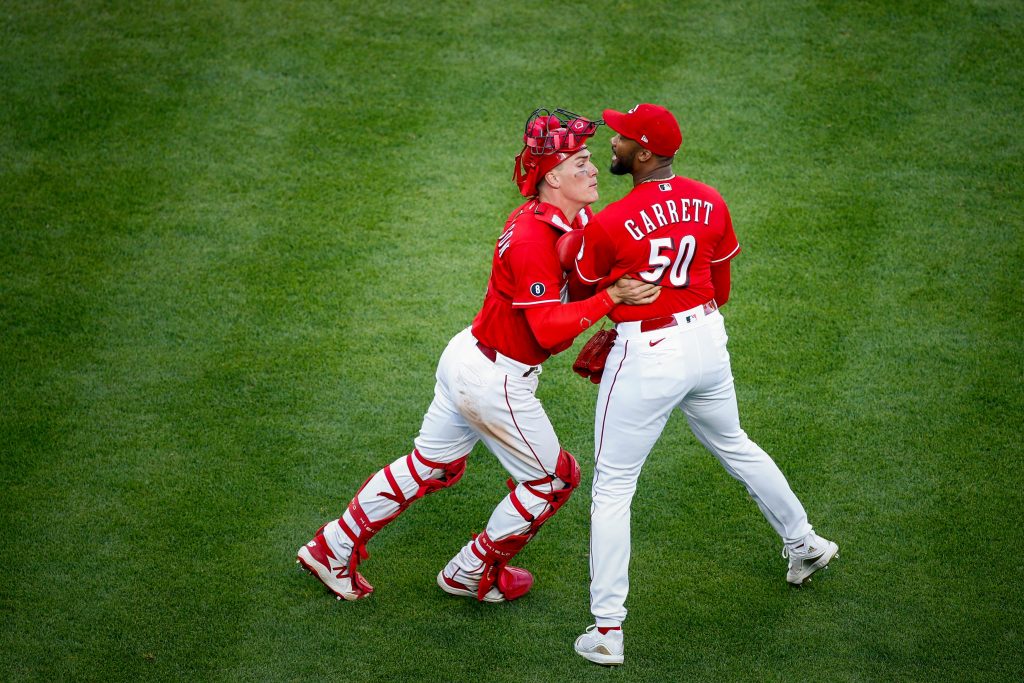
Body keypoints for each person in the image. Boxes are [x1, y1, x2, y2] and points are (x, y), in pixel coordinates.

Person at [297, 108, 660, 603]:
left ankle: (330, 546)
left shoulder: (570, 215)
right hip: (496, 380)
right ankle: (471, 572)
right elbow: (548, 332)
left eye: (590, 159)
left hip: (469, 357)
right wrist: (610, 300)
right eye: (580, 162)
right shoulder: (534, 238)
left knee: (431, 464)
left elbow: (582, 269)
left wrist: (610, 293)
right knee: (554, 481)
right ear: (552, 176)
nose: (593, 169)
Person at [569, 104, 838, 665]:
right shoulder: (710, 199)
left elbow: (581, 297)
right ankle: (804, 542)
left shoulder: (611, 221)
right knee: (735, 442)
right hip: (707, 341)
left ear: (644, 153)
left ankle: (607, 631)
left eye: (621, 139)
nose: (611, 145)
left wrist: (618, 319)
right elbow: (722, 286)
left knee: (614, 486)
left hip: (647, 354)